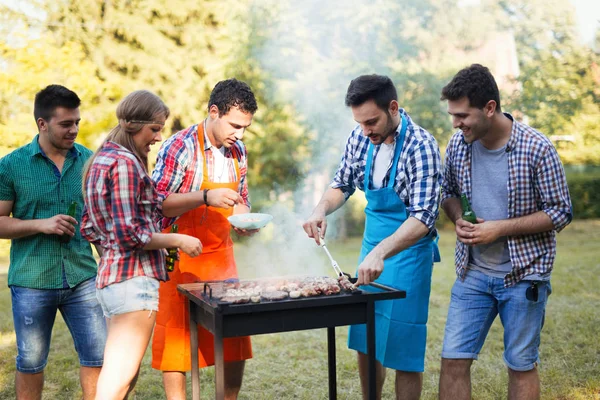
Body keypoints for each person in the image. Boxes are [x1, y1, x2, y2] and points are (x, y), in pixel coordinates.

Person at [438, 64, 573, 400]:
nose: (456, 123)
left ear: (489, 108)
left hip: (525, 275)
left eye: (462, 115)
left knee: (521, 364)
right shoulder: (459, 145)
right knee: (453, 361)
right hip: (472, 273)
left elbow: (561, 211)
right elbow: (448, 191)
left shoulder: (537, 148)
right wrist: (457, 217)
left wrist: (500, 229)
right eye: (453, 115)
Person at [303, 74, 442, 400]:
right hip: (372, 244)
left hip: (408, 252)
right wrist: (321, 208)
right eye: (360, 123)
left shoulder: (422, 146)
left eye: (371, 121)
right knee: (367, 339)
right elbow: (342, 183)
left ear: (393, 107)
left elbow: (423, 217)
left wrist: (381, 252)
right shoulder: (361, 136)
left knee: (403, 351)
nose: (366, 130)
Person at [81, 90, 202, 400]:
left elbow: (90, 227)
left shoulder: (102, 158)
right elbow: (129, 234)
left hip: (112, 280)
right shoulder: (125, 164)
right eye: (155, 128)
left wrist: (111, 256)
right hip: (132, 283)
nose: (158, 137)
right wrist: (179, 239)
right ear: (134, 124)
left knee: (121, 375)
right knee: (118, 379)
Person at [151, 78, 259, 400]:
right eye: (235, 125)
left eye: (245, 128)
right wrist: (205, 196)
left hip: (221, 256)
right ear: (214, 112)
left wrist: (244, 219)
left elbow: (242, 198)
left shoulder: (237, 150)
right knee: (177, 340)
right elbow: (159, 202)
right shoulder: (179, 146)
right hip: (179, 254)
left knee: (236, 336)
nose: (239, 135)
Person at [0, 84, 107, 399]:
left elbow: (97, 223)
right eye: (65, 124)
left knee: (98, 356)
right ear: (42, 124)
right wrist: (41, 224)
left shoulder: (90, 161)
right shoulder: (11, 165)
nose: (73, 129)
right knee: (31, 361)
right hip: (32, 280)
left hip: (83, 277)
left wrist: (110, 267)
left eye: (76, 122)